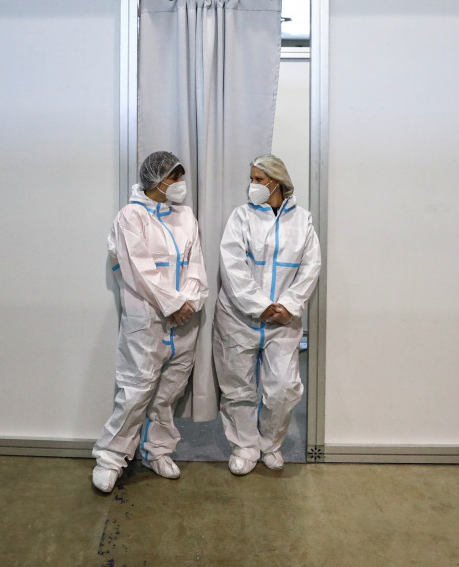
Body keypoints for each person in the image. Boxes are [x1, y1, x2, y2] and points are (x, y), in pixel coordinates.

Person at [92, 151, 208, 493]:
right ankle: (110, 459)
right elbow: (138, 271)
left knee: (169, 391)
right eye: (174, 178)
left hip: (185, 322)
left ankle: (156, 451)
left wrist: (190, 301)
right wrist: (172, 304)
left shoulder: (185, 216)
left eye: (180, 178)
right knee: (136, 391)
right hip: (147, 321)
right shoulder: (131, 217)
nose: (179, 185)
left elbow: (196, 263)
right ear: (156, 180)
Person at [214, 154, 321, 475]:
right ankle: (245, 446)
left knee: (284, 388)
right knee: (238, 387)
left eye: (259, 180)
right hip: (239, 318)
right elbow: (232, 265)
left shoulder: (302, 220)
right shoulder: (241, 217)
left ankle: (270, 444)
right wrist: (261, 305)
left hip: (283, 321)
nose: (253, 186)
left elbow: (311, 266)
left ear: (277, 182)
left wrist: (288, 305)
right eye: (252, 179)